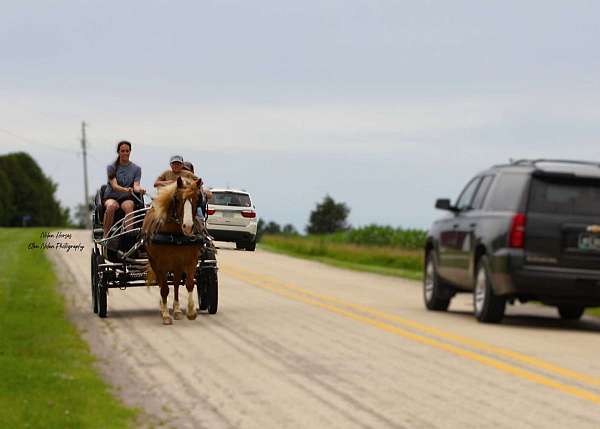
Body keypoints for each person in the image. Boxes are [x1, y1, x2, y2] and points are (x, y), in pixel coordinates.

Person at [103, 141, 145, 237]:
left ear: (130, 152)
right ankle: (106, 235)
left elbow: (136, 186)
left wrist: (140, 190)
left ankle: (129, 235)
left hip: (126, 198)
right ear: (118, 152)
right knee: (111, 206)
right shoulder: (111, 167)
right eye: (122, 151)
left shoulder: (137, 169)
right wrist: (125, 190)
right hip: (111, 196)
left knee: (129, 205)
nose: (125, 153)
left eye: (127, 151)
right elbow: (114, 186)